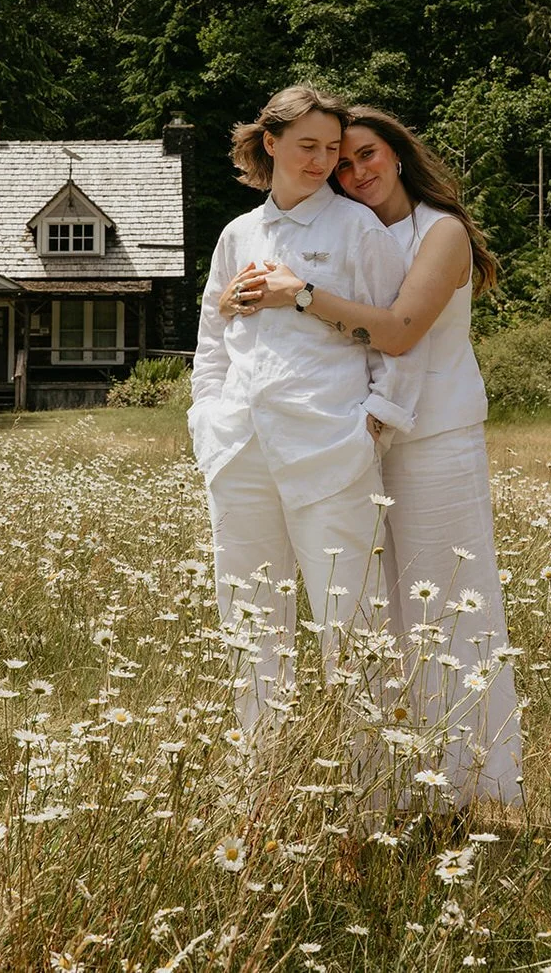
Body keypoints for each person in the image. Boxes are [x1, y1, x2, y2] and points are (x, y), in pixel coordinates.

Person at [218, 105, 521, 807]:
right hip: (367, 440)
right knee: (378, 612)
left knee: (448, 609)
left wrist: (302, 294)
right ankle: (392, 782)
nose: (353, 171)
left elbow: (400, 333)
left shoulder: (439, 231)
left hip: (436, 439)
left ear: (399, 155)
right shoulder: (355, 235)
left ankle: (469, 789)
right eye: (340, 160)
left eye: (366, 155)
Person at [189, 86, 424, 735]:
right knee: (249, 624)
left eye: (331, 148)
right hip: (239, 452)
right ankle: (259, 788)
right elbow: (213, 341)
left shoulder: (356, 228)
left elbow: (399, 342)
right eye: (307, 147)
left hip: (331, 451)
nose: (323, 161)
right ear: (270, 144)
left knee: (356, 625)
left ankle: (380, 802)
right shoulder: (238, 235)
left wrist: (372, 425)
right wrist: (206, 424)